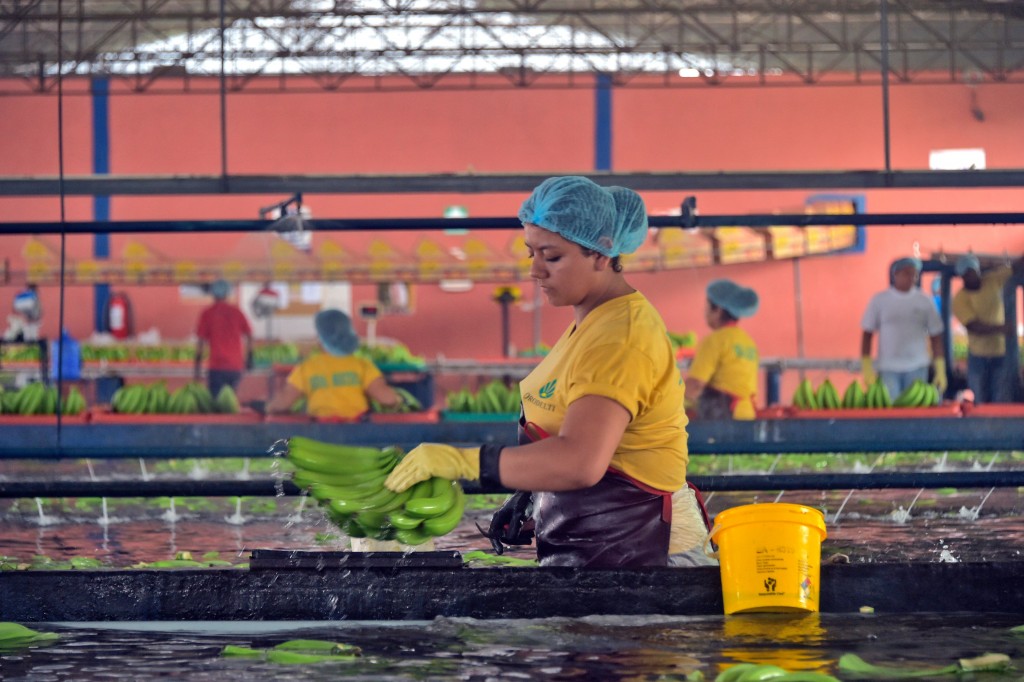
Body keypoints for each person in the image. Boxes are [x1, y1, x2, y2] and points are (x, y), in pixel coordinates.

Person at [383, 176, 707, 568]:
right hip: (607, 549)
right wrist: (531, 492)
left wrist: (464, 461)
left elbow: (579, 462)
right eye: (531, 252)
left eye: (552, 257)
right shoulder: (593, 323)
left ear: (601, 253)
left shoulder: (620, 338)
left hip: (650, 557)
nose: (535, 271)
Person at [265, 308, 403, 420]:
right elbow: (386, 398)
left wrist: (269, 407)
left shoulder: (307, 367)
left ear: (321, 338)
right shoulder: (362, 365)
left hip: (318, 433)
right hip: (357, 432)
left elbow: (284, 400)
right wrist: (398, 400)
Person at [860, 257, 946, 401]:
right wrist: (867, 366)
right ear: (896, 275)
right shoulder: (880, 300)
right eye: (907, 273)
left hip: (918, 367)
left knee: (915, 412)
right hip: (888, 368)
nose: (911, 278)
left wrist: (940, 369)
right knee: (891, 414)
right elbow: (867, 334)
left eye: (914, 274)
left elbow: (935, 336)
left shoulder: (924, 301)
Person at [952, 253, 1024, 404]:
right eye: (966, 274)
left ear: (978, 272)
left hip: (1001, 353)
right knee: (979, 398)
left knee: (1001, 397)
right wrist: (1001, 329)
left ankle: (999, 426)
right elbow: (974, 326)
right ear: (961, 276)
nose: (970, 277)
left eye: (972, 272)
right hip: (978, 356)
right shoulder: (959, 299)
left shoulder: (992, 280)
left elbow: (1014, 268)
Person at [685, 279, 760, 420]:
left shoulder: (714, 341)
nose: (704, 312)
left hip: (724, 419)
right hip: (747, 416)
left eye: (707, 307)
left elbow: (695, 386)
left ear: (718, 310)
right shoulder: (748, 342)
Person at [194, 279, 253, 397]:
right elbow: (249, 335)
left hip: (217, 366)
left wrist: (197, 366)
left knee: (216, 404)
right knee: (230, 401)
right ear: (227, 294)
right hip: (235, 366)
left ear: (213, 294)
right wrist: (250, 357)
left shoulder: (207, 313)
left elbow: (201, 342)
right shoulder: (237, 312)